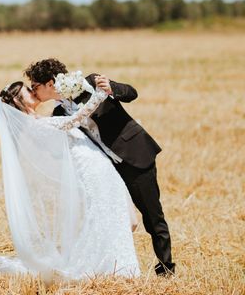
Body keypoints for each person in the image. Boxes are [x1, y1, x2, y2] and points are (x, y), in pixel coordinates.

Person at [0, 77, 140, 282]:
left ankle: (111, 262)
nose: (33, 91)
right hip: (89, 168)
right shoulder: (35, 125)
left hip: (98, 164)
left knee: (116, 214)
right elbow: (76, 119)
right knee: (106, 213)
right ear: (19, 102)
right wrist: (99, 95)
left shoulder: (39, 118)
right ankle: (111, 265)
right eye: (28, 91)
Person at [25, 58, 175, 276]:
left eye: (35, 86)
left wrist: (113, 88)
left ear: (49, 83)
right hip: (105, 169)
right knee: (114, 217)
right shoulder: (58, 115)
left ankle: (166, 269)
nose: (33, 90)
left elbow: (132, 93)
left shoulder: (90, 82)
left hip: (135, 156)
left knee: (152, 216)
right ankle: (115, 263)